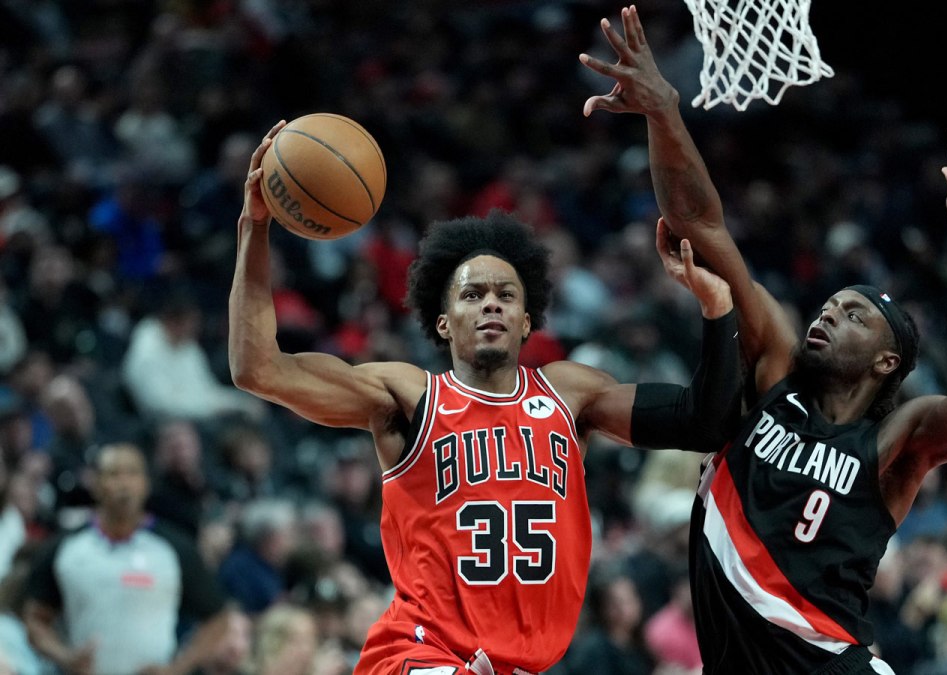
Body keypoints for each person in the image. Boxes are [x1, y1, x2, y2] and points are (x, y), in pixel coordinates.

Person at [580, 7, 947, 673]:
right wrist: (664, 114)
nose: (829, 314)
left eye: (854, 315)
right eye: (830, 304)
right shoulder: (774, 370)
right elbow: (700, 223)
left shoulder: (896, 441)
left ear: (886, 360)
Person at [229, 123, 741, 674]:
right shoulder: (408, 397)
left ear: (527, 320)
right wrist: (254, 228)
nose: (491, 304)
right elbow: (259, 369)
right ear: (444, 322)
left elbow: (705, 421)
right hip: (419, 654)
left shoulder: (571, 395)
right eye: (472, 294)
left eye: (505, 294)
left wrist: (717, 310)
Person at [21, 442, 231, 675]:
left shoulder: (175, 548)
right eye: (113, 474)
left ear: (145, 484)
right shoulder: (65, 547)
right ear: (95, 484)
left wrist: (178, 668)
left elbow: (219, 619)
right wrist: (65, 657)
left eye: (132, 473)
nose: (124, 484)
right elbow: (35, 618)